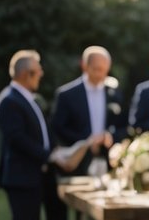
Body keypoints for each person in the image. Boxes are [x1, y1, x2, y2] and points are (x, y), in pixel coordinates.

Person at [0, 49, 69, 220]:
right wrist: (49, 156)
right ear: (26, 74)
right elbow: (17, 138)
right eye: (38, 71)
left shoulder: (28, 98)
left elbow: (42, 130)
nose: (41, 74)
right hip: (22, 178)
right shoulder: (9, 100)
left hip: (41, 175)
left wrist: (56, 150)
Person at [50, 45, 127, 176]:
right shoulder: (66, 95)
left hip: (108, 161)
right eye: (97, 69)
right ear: (84, 66)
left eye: (105, 70)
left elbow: (123, 125)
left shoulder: (114, 94)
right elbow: (57, 128)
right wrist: (86, 142)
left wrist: (109, 137)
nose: (101, 74)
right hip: (76, 165)